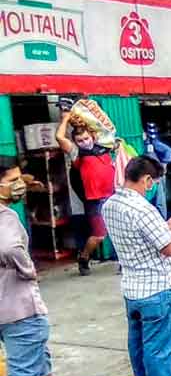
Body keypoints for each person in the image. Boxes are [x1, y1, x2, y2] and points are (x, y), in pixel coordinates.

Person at [1, 157, 107, 376]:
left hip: (6, 305)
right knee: (24, 367)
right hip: (18, 305)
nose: (18, 185)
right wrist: (27, 269)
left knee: (36, 363)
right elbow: (10, 247)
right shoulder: (5, 216)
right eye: (12, 180)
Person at [102, 156, 171, 376]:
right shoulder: (143, 209)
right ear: (146, 180)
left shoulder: (111, 204)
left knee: (139, 344)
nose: (151, 187)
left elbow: (140, 236)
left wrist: (167, 226)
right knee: (160, 348)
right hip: (158, 288)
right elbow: (170, 247)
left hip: (133, 287)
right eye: (151, 182)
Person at [56, 109, 115, 276]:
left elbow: (106, 128)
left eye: (86, 138)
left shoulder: (104, 146)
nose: (84, 142)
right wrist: (66, 119)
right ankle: (84, 257)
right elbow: (60, 138)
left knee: (120, 229)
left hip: (112, 195)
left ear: (93, 137)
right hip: (94, 200)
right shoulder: (77, 153)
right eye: (80, 140)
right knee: (99, 236)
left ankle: (124, 261)